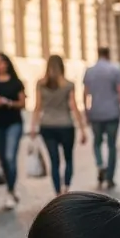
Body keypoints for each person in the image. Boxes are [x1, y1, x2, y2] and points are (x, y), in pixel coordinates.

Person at [31, 55, 87, 195]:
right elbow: (73, 106)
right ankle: (66, 187)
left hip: (47, 125)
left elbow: (38, 106)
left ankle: (57, 192)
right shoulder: (68, 84)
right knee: (68, 158)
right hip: (66, 125)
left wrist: (33, 126)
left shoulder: (40, 84)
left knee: (54, 160)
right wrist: (82, 128)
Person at [0, 52, 25, 209]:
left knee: (9, 157)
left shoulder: (16, 83)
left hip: (13, 123)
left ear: (7, 64)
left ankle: (10, 190)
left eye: (0, 62)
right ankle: (10, 187)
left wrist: (8, 103)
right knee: (2, 158)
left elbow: (22, 103)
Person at [83, 46, 120, 190]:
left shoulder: (90, 71)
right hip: (112, 112)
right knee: (111, 145)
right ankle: (110, 177)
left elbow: (85, 93)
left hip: (96, 112)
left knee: (96, 142)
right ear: (108, 54)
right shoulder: (115, 69)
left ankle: (100, 164)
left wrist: (86, 112)